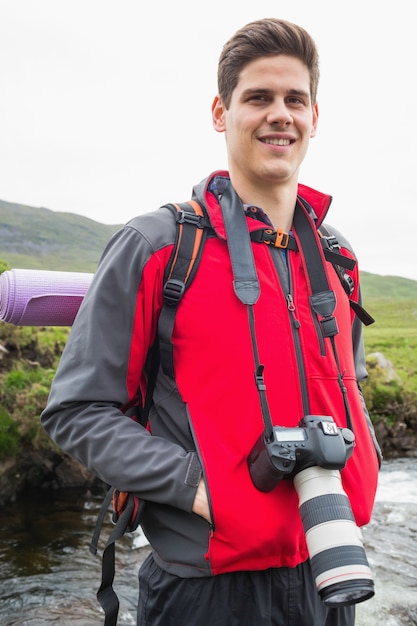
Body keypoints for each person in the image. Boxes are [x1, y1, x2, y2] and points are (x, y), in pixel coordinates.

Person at [41, 17, 382, 626]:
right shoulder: (159, 246)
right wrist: (199, 486)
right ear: (222, 113)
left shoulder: (337, 256)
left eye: (294, 99)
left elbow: (349, 385)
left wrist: (362, 463)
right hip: (203, 589)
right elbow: (77, 410)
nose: (280, 113)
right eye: (258, 98)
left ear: (314, 117)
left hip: (327, 573)